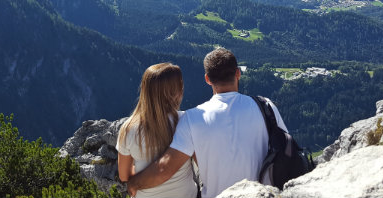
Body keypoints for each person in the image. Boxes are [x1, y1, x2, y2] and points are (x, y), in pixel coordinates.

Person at [127, 48, 288, 198]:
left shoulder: (191, 118)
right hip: (263, 194)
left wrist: (134, 182)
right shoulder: (266, 106)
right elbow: (287, 149)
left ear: (207, 79)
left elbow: (164, 170)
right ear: (238, 73)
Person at [116, 62, 197, 198]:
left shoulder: (129, 128)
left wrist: (143, 175)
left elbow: (124, 175)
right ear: (178, 92)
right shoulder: (186, 121)